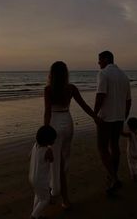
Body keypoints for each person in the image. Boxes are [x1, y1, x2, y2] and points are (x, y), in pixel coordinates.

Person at [44, 61, 98, 209]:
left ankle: (62, 197)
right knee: (64, 159)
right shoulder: (71, 88)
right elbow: (84, 105)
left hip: (54, 123)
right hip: (67, 123)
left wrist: (45, 131)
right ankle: (55, 192)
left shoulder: (48, 90)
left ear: (52, 74)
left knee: (55, 162)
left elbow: (47, 112)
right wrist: (95, 117)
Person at [94, 50, 131, 194]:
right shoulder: (124, 76)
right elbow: (129, 100)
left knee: (102, 148)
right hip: (119, 117)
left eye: (99, 60)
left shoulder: (103, 74)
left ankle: (114, 177)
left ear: (106, 59)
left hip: (106, 118)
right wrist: (124, 116)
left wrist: (94, 113)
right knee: (114, 145)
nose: (98, 63)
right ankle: (112, 175)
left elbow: (101, 95)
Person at [29, 125, 57, 219]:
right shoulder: (47, 151)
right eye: (53, 140)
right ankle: (34, 216)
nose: (54, 141)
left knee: (38, 195)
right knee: (45, 199)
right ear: (47, 140)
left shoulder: (35, 146)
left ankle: (38, 214)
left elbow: (30, 156)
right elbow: (52, 160)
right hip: (41, 179)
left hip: (32, 177)